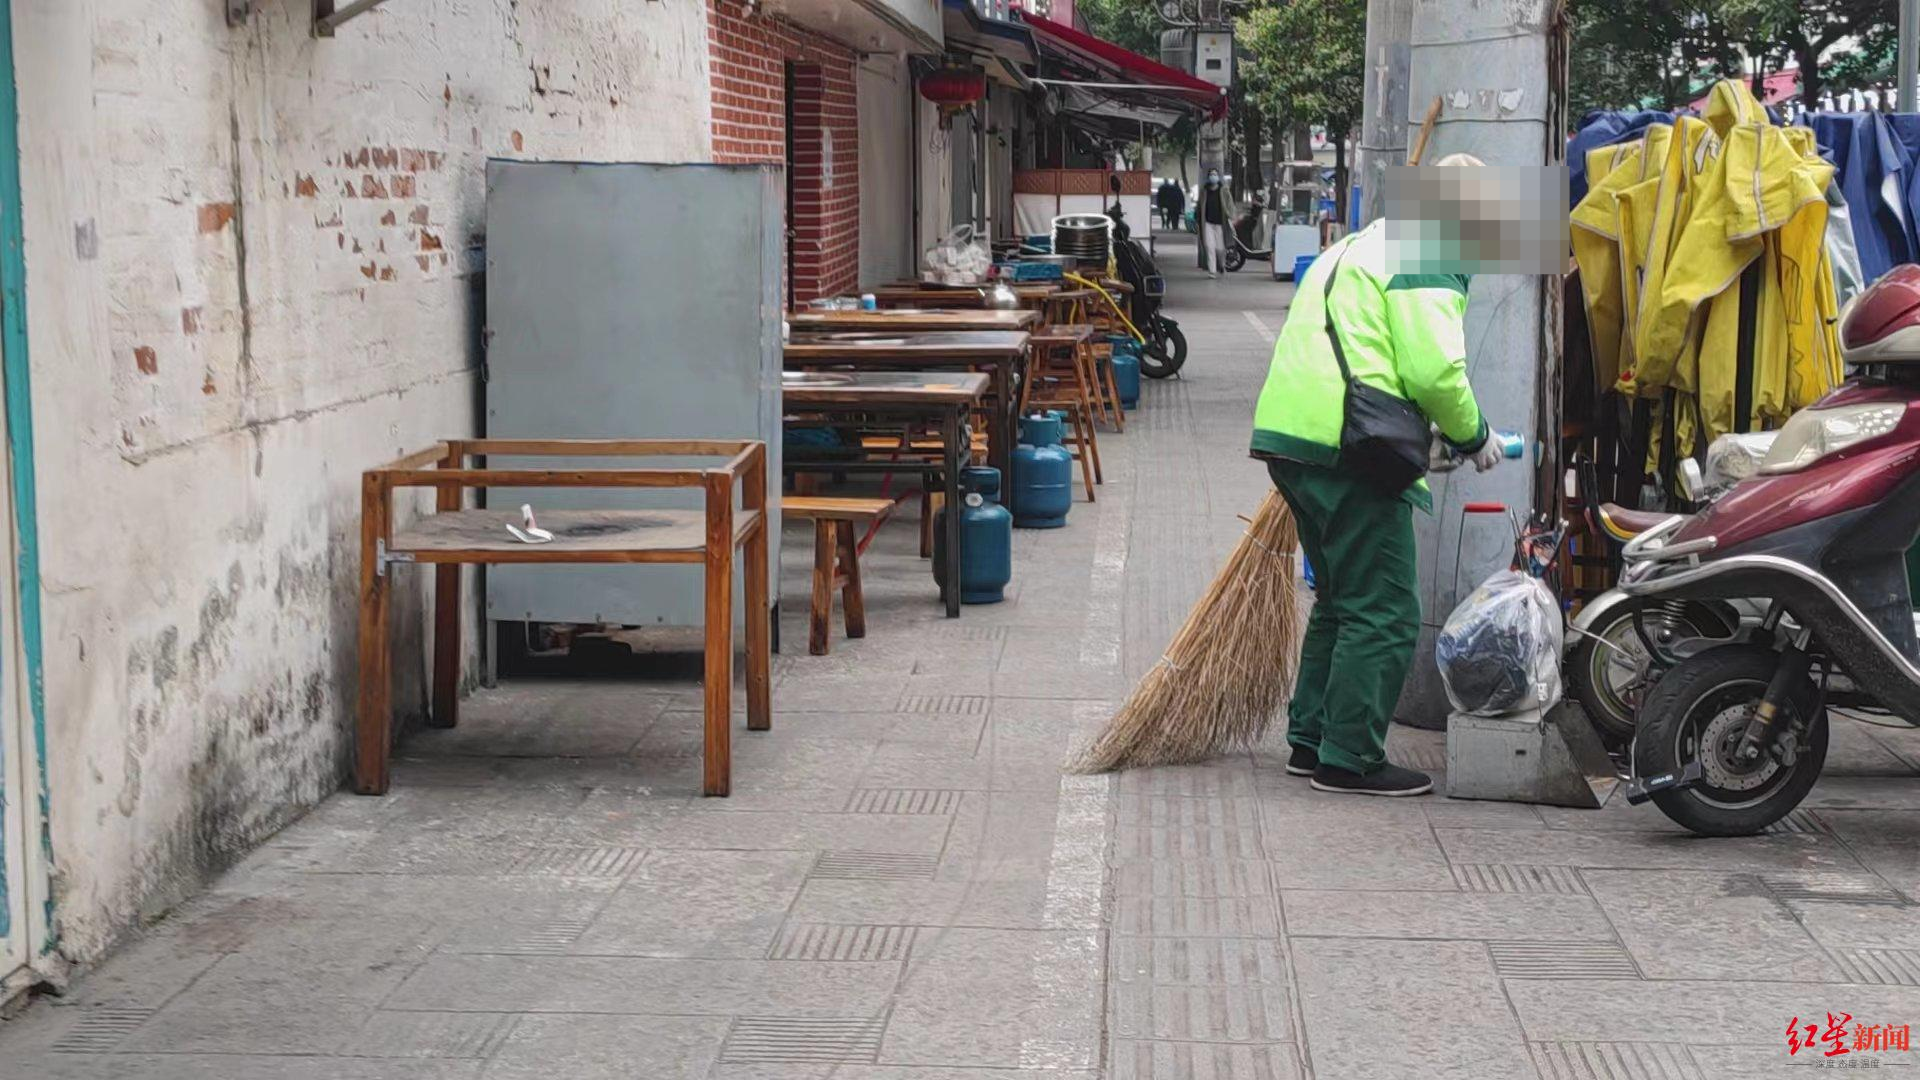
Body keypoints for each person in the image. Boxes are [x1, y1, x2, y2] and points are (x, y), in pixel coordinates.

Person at [1247, 153, 1501, 796]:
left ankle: (1311, 741)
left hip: (1293, 438)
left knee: (1340, 599)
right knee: (1386, 608)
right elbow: (1434, 370)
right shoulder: (1427, 249)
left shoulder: (1360, 245)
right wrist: (1475, 437)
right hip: (1351, 448)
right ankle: (1350, 757)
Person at [1199, 170, 1228, 277]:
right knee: (1210, 246)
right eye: (1211, 174)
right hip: (1208, 223)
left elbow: (1229, 205)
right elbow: (1200, 206)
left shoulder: (1223, 190)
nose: (1213, 176)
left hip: (1220, 224)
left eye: (1215, 174)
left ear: (1218, 177)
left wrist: (1233, 216)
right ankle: (1212, 271)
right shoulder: (1204, 191)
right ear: (1208, 177)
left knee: (1220, 248)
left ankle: (1222, 265)